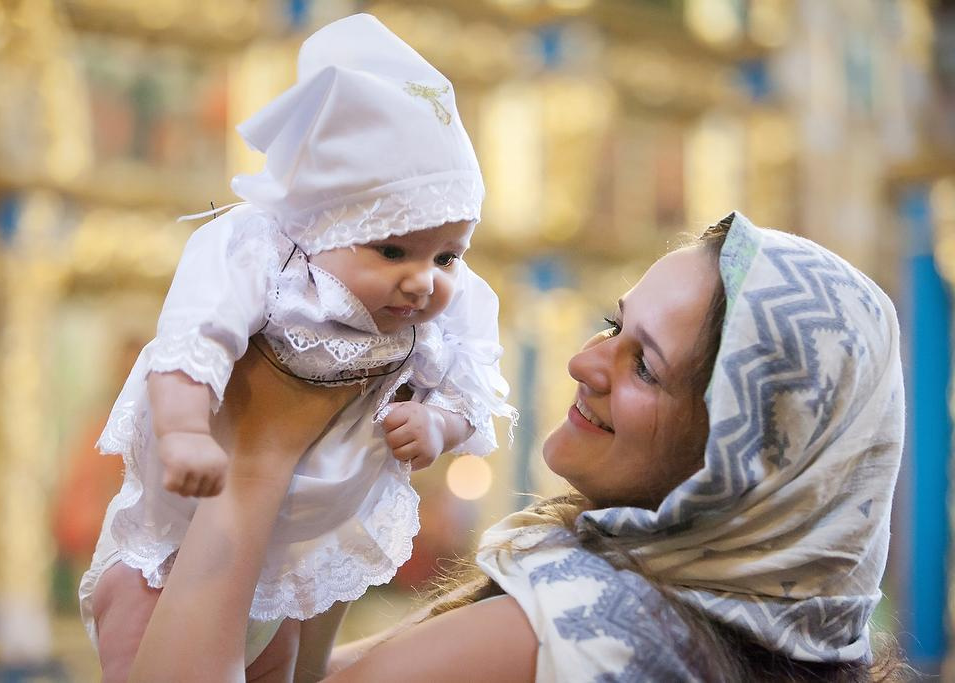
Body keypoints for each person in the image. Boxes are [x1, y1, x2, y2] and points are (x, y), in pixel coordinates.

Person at [128, 211, 909, 682]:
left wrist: (261, 457)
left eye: (645, 365)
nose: (583, 362)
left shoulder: (586, 629)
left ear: (742, 464)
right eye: (614, 324)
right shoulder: (743, 641)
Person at [79, 13, 517, 682]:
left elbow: (468, 387)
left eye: (449, 255)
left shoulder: (440, 305)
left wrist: (437, 422)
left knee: (279, 667)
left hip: (294, 562)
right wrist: (184, 430)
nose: (423, 279)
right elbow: (192, 339)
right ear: (322, 223)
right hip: (179, 541)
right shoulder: (265, 255)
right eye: (392, 249)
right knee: (143, 644)